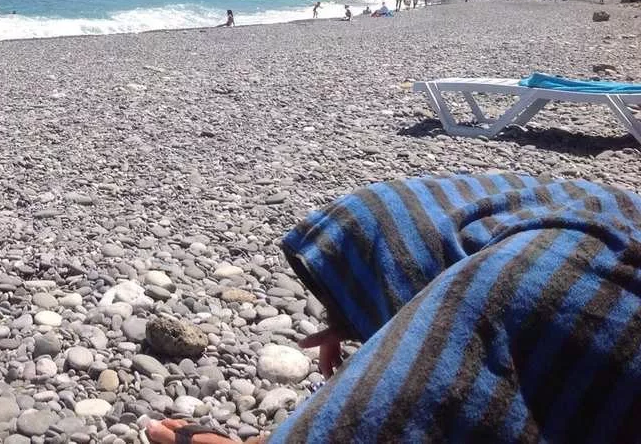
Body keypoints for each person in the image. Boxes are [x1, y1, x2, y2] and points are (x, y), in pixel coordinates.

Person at [145, 173, 641, 443]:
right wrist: (355, 315)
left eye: (357, 277)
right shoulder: (572, 202)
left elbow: (402, 409)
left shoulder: (512, 284)